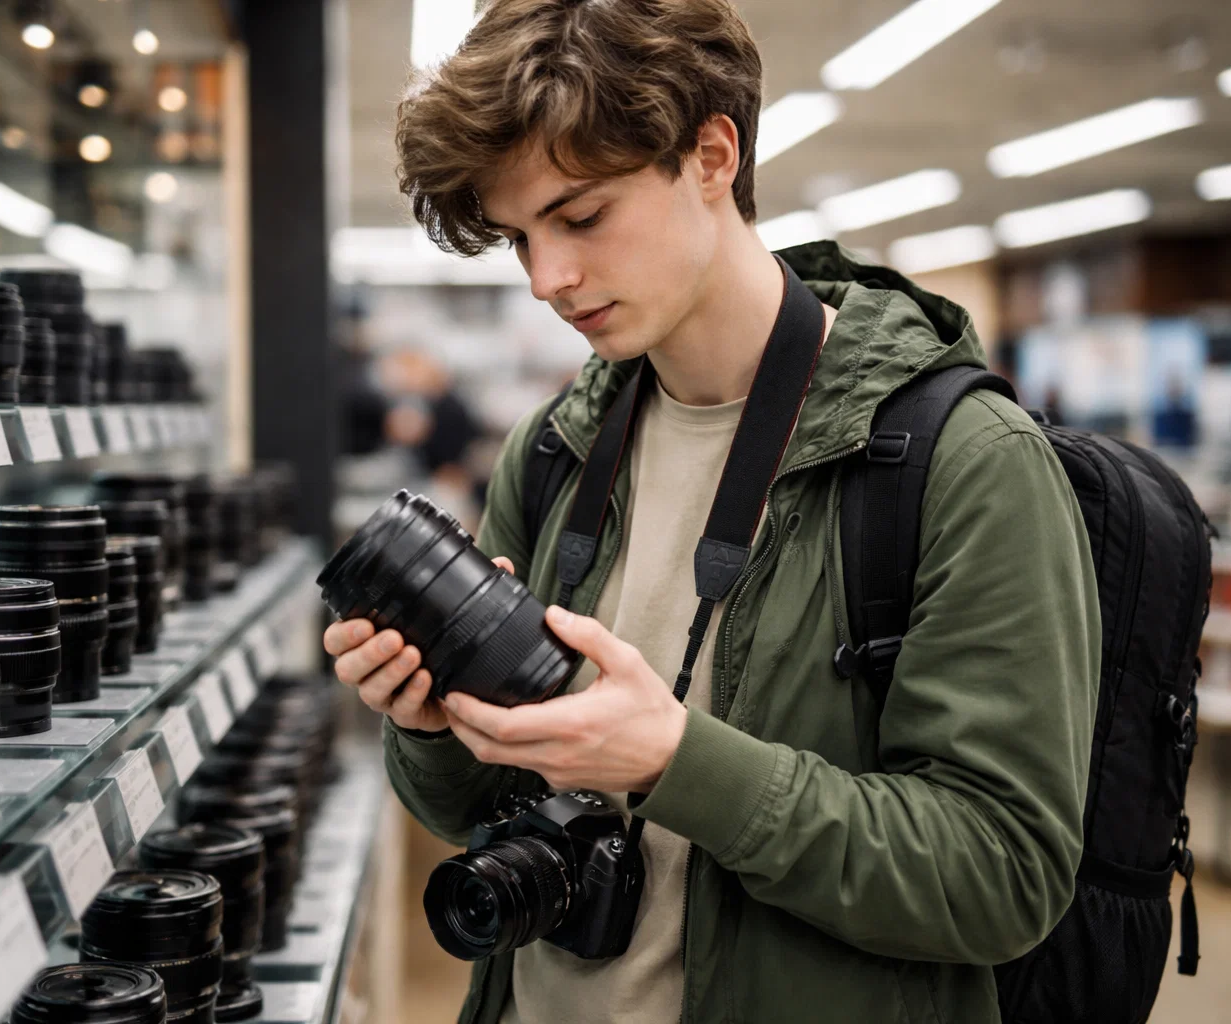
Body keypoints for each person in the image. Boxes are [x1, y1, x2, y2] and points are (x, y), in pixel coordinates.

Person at [324, 2, 1100, 1022]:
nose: (549, 279)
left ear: (711, 155)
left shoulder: (961, 464)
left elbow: (1004, 874)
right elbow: (468, 807)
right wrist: (433, 726)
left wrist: (678, 762)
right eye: (519, 238)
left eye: (581, 215)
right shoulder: (556, 450)